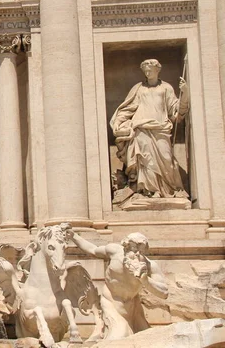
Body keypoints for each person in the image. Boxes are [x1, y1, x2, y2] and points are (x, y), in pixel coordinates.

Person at [68, 230, 168, 340]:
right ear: (126, 247)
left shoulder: (150, 266)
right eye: (134, 249)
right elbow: (93, 250)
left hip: (133, 308)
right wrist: (74, 236)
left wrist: (146, 280)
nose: (137, 254)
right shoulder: (114, 251)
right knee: (119, 337)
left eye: (141, 251)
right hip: (111, 303)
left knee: (148, 339)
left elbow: (164, 293)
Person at [110, 59, 189, 199]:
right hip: (141, 128)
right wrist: (118, 121)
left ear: (157, 70)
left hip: (161, 128)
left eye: (150, 70)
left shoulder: (166, 88)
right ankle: (151, 191)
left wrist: (185, 93)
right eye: (145, 71)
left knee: (166, 158)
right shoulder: (139, 88)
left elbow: (177, 113)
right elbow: (127, 108)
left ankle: (169, 189)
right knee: (146, 160)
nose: (147, 73)